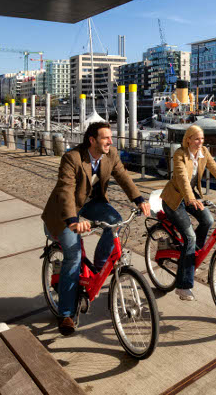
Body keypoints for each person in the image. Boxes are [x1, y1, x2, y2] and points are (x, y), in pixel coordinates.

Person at [42, 122, 151, 336]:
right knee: (73, 254)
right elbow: (65, 191)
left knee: (115, 221)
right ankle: (66, 314)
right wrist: (73, 221)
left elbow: (123, 177)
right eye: (105, 138)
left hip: (90, 202)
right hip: (64, 211)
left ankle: (99, 268)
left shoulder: (111, 154)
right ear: (92, 140)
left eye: (111, 138)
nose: (110, 141)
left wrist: (139, 199)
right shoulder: (72, 158)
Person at [160, 125, 216, 301]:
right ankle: (183, 287)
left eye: (202, 139)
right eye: (197, 139)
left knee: (207, 220)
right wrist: (190, 198)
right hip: (174, 200)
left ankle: (190, 258)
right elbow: (182, 178)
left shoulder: (203, 152)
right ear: (188, 139)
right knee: (190, 236)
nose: (200, 142)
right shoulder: (179, 154)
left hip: (191, 197)